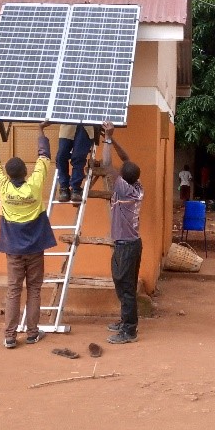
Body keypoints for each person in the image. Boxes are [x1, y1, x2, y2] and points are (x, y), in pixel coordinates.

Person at [0, 119, 56, 348]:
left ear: (8, 174)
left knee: (14, 290)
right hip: (35, 249)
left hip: (13, 251)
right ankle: (33, 333)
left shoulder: (3, 188)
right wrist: (41, 130)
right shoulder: (34, 185)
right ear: (26, 171)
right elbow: (44, 157)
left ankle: (10, 336)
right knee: (34, 289)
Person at [101, 121, 144, 344]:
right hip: (131, 244)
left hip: (127, 246)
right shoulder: (136, 186)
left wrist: (108, 140)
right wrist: (114, 137)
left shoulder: (123, 189)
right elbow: (126, 160)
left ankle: (129, 331)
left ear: (122, 178)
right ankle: (125, 321)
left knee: (125, 286)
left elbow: (106, 164)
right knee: (124, 284)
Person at [56, 123, 94, 203]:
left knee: (78, 157)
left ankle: (75, 189)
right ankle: (64, 188)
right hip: (68, 124)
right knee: (61, 157)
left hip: (86, 127)